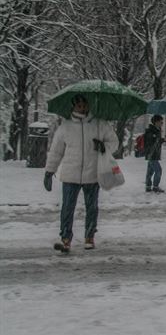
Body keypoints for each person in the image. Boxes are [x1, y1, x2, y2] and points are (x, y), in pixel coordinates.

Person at [43, 94, 117, 252]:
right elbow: (56, 152)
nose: (82, 108)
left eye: (84, 105)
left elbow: (114, 142)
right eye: (79, 105)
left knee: (92, 207)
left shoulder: (99, 124)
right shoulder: (65, 127)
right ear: (73, 107)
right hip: (71, 175)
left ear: (88, 106)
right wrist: (49, 171)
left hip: (92, 174)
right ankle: (65, 239)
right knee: (67, 208)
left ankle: (89, 236)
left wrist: (104, 146)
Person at [143, 115, 166, 193]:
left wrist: (162, 140)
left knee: (150, 171)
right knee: (158, 170)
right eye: (161, 122)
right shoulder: (150, 131)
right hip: (152, 154)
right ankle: (155, 187)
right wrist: (156, 137)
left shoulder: (157, 130)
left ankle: (148, 187)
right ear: (156, 122)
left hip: (154, 154)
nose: (162, 123)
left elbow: (156, 142)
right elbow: (150, 143)